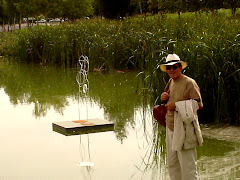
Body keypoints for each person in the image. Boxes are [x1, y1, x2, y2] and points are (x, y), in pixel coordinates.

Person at [160, 53, 203, 180]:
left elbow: (198, 104)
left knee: (188, 167)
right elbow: (170, 102)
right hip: (171, 127)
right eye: (169, 68)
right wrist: (164, 98)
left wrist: (177, 106)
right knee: (173, 164)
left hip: (185, 128)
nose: (172, 70)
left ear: (180, 67)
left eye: (175, 67)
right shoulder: (170, 82)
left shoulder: (189, 83)